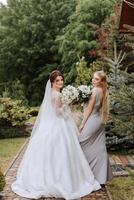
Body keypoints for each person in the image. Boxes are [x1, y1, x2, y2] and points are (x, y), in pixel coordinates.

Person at [11, 70, 101, 200]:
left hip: (50, 124)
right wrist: (67, 107)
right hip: (58, 124)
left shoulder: (54, 94)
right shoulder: (57, 95)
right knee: (62, 149)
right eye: (57, 81)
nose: (60, 82)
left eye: (61, 80)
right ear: (52, 82)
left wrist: (66, 104)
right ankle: (62, 180)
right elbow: (58, 113)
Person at [79, 71, 113, 185]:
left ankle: (83, 173)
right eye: (93, 78)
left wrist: (83, 123)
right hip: (100, 121)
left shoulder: (94, 91)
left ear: (102, 81)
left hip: (93, 120)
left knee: (81, 143)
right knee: (99, 146)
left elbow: (89, 109)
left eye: (97, 79)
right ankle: (101, 177)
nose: (93, 80)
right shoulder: (104, 91)